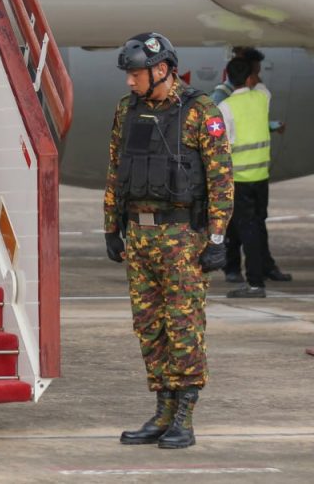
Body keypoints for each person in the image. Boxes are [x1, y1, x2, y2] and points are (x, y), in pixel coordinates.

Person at [103, 32, 233, 449]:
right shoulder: (127, 110)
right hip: (139, 236)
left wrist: (216, 237)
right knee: (149, 327)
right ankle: (162, 411)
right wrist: (111, 226)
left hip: (181, 238)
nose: (130, 81)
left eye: (136, 73)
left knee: (183, 326)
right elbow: (116, 169)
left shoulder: (200, 111)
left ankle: (184, 416)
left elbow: (221, 180)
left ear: (162, 70)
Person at [216, 49, 290, 285]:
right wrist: (250, 65)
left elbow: (221, 142)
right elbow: (259, 85)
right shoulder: (262, 97)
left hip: (238, 180)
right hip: (260, 178)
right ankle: (252, 272)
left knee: (245, 228)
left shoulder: (225, 107)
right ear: (251, 77)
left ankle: (255, 278)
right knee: (255, 226)